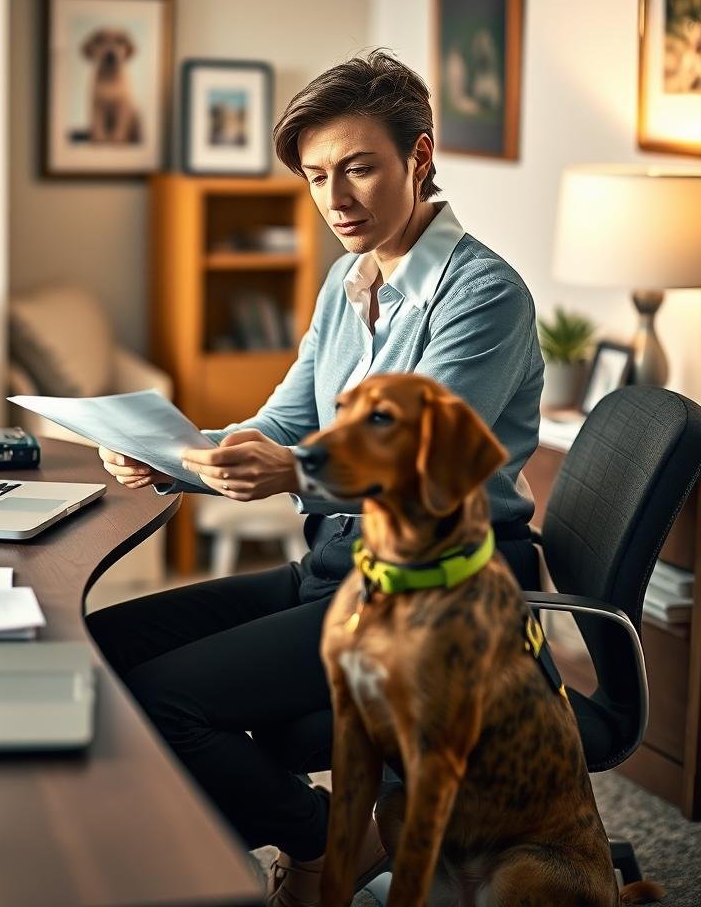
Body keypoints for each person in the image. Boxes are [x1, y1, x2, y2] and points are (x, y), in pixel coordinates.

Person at [87, 49, 544, 907]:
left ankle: (323, 842)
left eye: (360, 168)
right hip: (338, 567)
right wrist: (175, 456)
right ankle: (304, 830)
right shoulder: (346, 279)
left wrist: (290, 473)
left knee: (164, 701)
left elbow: (418, 467)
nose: (335, 200)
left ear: (420, 156)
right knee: (102, 653)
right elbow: (287, 425)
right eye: (316, 176)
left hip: (437, 592)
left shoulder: (484, 296)